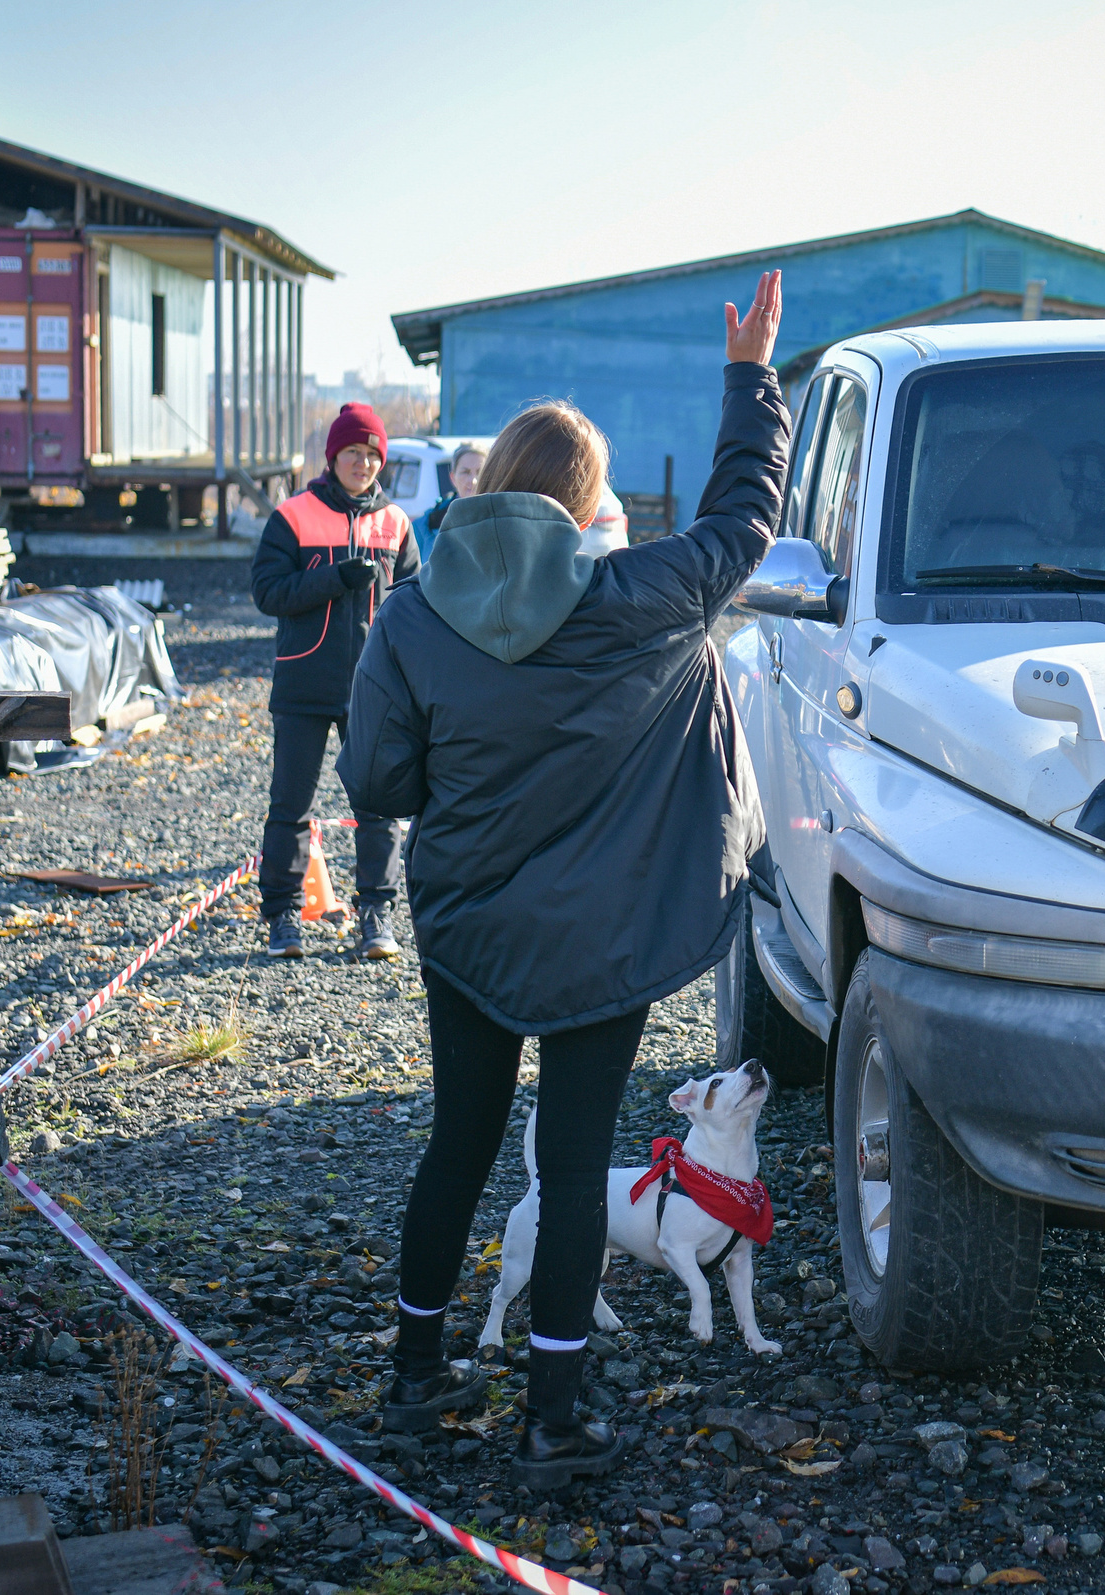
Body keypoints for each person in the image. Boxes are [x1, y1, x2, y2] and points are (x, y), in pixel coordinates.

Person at [338, 271, 786, 1481]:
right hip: (604, 939)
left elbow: (377, 787)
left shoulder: (414, 616)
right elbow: (746, 520)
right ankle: (553, 1419)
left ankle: (415, 1378)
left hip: (470, 932)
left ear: (484, 487)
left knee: (461, 1146)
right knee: (578, 1158)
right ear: (590, 507)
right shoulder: (636, 600)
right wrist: (748, 375)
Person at [250, 402, 420, 960]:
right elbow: (268, 592)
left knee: (378, 806)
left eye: (373, 455)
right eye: (354, 452)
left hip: (373, 690)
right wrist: (333, 579)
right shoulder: (294, 515)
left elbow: (415, 603)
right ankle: (281, 916)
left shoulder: (395, 523)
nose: (364, 463)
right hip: (302, 685)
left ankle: (377, 914)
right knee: (291, 806)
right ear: (333, 456)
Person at [413, 443, 487, 563]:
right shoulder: (427, 525)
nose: (473, 480)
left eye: (480, 472)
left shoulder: (501, 521)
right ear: (453, 477)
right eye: (465, 472)